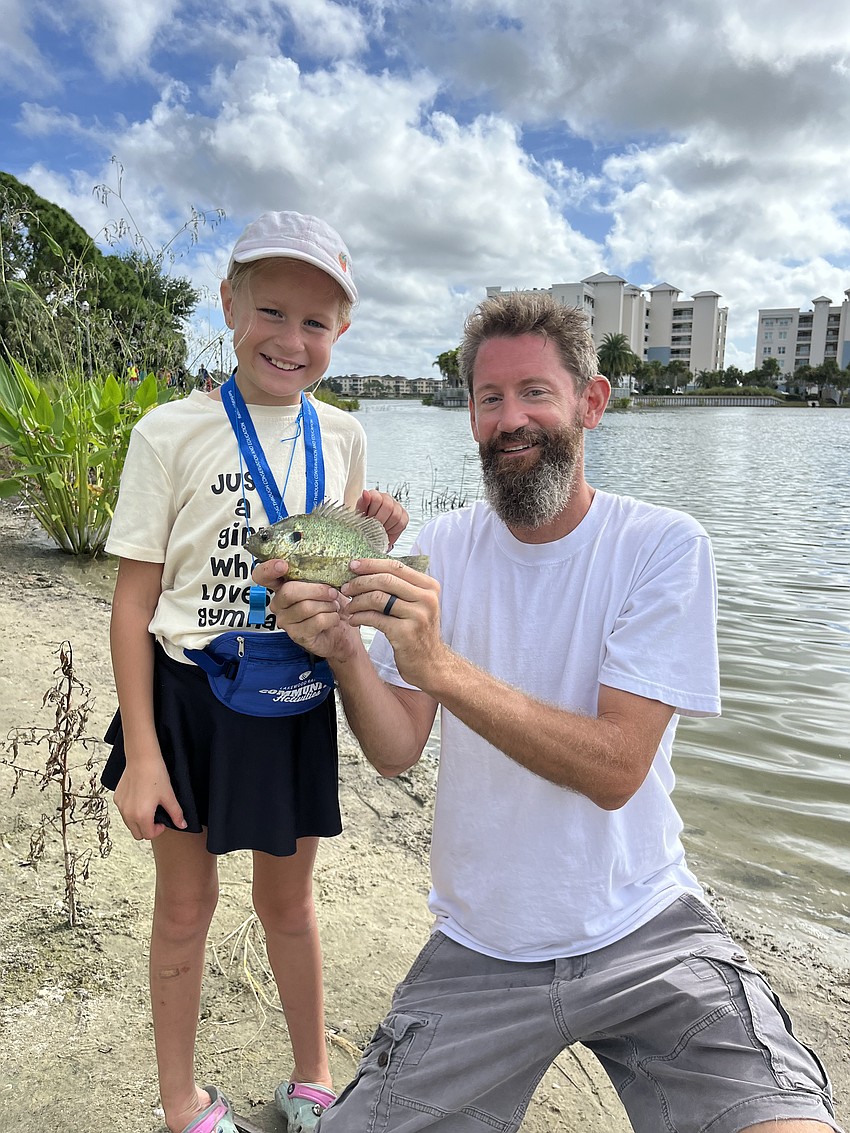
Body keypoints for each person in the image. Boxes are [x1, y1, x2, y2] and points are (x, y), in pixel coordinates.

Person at [256, 290, 841, 1133]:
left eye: (536, 392)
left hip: (648, 929)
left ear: (589, 403)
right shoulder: (441, 551)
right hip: (481, 945)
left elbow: (615, 769)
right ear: (469, 417)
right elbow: (394, 751)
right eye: (490, 399)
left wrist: (443, 668)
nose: (511, 419)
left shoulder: (663, 546)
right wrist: (347, 652)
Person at [101, 210, 407, 1133]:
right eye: (270, 310)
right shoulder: (168, 433)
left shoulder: (344, 434)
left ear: (342, 333)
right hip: (188, 698)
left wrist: (374, 539)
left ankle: (312, 1078)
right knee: (186, 905)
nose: (290, 338)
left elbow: (332, 568)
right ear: (228, 303)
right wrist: (145, 754)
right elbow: (131, 603)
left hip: (292, 693)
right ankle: (179, 1102)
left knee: (289, 899)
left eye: (316, 322)